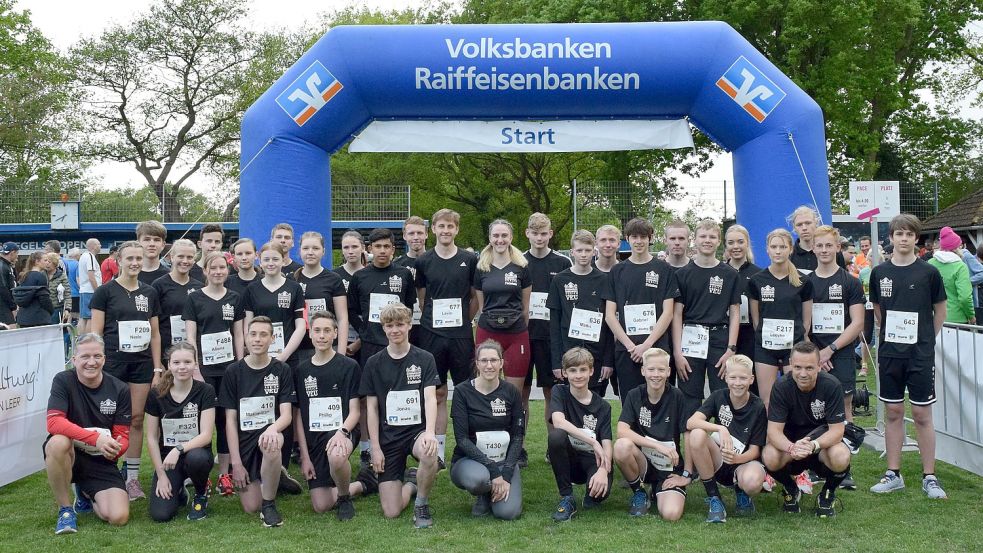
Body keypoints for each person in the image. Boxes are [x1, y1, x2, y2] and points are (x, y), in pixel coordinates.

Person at [869, 214, 948, 499]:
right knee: (893, 412)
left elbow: (940, 310)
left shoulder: (929, 273)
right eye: (899, 234)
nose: (903, 239)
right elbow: (878, 310)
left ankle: (930, 476)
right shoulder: (880, 272)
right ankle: (893, 473)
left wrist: (926, 340)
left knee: (921, 414)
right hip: (891, 353)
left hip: (919, 355)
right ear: (890, 238)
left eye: (909, 234)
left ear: (916, 239)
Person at [90, 241, 162, 501]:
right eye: (129, 258)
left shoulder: (150, 292)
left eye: (138, 259)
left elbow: (155, 334)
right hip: (112, 365)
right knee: (106, 418)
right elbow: (95, 332)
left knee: (136, 419)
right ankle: (102, 472)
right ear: (118, 260)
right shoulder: (106, 292)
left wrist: (157, 367)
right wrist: (96, 362)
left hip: (141, 365)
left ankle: (131, 478)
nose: (134, 263)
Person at [359, 304, 440, 528]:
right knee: (391, 512)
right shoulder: (374, 363)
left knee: (429, 450)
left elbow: (430, 398)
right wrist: (374, 447)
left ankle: (422, 504)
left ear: (409, 325)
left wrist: (431, 433)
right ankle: (412, 483)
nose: (395, 330)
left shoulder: (425, 358)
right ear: (383, 328)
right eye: (390, 325)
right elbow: (372, 409)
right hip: (389, 437)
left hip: (416, 432)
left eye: (400, 325)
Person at [44, 334, 131, 534]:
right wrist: (95, 439)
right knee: (58, 442)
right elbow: (53, 422)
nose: (91, 362)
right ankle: (65, 510)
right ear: (74, 359)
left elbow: (122, 435)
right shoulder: (63, 380)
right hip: (70, 454)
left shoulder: (120, 389)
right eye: (85, 357)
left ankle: (85, 493)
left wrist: (117, 448)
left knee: (119, 517)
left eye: (97, 356)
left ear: (104, 359)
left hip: (100, 460)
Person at [414, 209, 477, 467]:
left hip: (461, 336)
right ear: (434, 230)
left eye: (450, 226)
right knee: (437, 393)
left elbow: (474, 298)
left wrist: (462, 319)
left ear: (457, 229)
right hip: (432, 336)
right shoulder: (424, 261)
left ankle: (467, 447)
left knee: (465, 392)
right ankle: (437, 450)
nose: (446, 231)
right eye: (441, 226)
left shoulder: (469, 260)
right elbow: (422, 298)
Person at [219, 316, 296, 526]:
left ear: (272, 339)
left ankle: (269, 505)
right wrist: (235, 463)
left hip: (272, 435)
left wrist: (273, 429)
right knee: (250, 507)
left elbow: (287, 415)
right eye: (253, 334)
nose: (258, 339)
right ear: (246, 338)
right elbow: (230, 421)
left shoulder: (281, 369)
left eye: (263, 335)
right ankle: (275, 477)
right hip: (245, 442)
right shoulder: (233, 372)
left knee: (271, 445)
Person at [243, 242, 306, 494]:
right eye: (266, 259)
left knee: (286, 409)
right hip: (258, 358)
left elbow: (301, 325)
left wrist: (283, 355)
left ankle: (281, 466)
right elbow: (247, 325)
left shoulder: (293, 288)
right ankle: (258, 460)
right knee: (260, 405)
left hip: (285, 358)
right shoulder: (252, 289)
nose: (270, 263)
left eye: (275, 259)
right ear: (260, 260)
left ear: (283, 260)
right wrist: (252, 353)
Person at [762, 341, 851, 518]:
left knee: (841, 456)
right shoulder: (781, 386)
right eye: (798, 367)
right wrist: (791, 447)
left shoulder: (832, 385)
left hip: (820, 446)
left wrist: (813, 445)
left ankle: (827, 493)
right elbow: (773, 432)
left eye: (809, 368)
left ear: (819, 366)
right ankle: (791, 488)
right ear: (790, 364)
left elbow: (837, 431)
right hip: (791, 447)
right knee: (769, 456)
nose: (803, 374)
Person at [184, 250, 245, 496]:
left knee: (225, 420)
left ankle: (224, 473)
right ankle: (203, 475)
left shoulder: (234, 298)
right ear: (205, 271)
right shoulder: (194, 298)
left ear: (227, 270)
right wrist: (195, 367)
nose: (218, 272)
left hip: (229, 370)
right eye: (214, 268)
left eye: (222, 268)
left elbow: (239, 334)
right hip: (204, 371)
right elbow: (190, 336)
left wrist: (241, 364)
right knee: (204, 422)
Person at [293, 312, 365, 519]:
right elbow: (299, 417)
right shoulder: (301, 371)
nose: (322, 335)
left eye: (327, 330)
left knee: (336, 455)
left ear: (335, 333)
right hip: (315, 438)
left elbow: (355, 412)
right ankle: (361, 484)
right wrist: (304, 457)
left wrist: (341, 433)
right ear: (311, 334)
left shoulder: (349, 366)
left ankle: (344, 498)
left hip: (344, 430)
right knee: (321, 505)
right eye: (317, 330)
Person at [603, 218, 679, 402]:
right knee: (631, 402)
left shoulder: (664, 270)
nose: (639, 241)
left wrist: (646, 345)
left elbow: (668, 312)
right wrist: (631, 346)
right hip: (627, 350)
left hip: (657, 348)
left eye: (643, 237)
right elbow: (609, 316)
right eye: (634, 237)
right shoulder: (617, 271)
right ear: (627, 239)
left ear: (650, 238)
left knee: (661, 401)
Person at [671, 219, 741, 418]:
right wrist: (678, 352)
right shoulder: (683, 274)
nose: (707, 240)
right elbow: (677, 314)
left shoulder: (730, 274)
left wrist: (731, 349)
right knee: (689, 397)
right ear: (695, 240)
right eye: (703, 236)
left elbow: (734, 312)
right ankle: (693, 446)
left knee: (722, 396)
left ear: (719, 241)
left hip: (720, 340)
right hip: (690, 339)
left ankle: (723, 446)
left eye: (712, 237)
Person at [613, 348, 692, 520]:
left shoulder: (677, 396)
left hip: (669, 468)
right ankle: (639, 493)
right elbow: (621, 430)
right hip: (645, 463)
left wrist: (686, 474)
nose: (656, 374)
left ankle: (657, 491)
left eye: (661, 370)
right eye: (651, 369)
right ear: (643, 371)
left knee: (671, 514)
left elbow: (688, 434)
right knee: (621, 446)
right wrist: (657, 446)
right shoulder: (634, 395)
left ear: (669, 371)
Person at [449, 339, 524, 520]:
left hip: (503, 461)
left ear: (501, 363)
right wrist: (492, 469)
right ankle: (483, 493)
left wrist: (505, 474)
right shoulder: (461, 391)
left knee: (508, 513)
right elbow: (462, 439)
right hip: (470, 461)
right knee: (478, 481)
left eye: (493, 360)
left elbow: (517, 436)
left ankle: (498, 489)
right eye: (484, 360)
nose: (489, 365)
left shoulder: (511, 392)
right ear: (477, 364)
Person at [686, 354, 767, 522]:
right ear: (725, 377)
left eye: (743, 378)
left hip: (743, 461)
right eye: (733, 377)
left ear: (751, 379)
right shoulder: (718, 396)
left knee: (752, 482)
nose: (738, 383)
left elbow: (755, 450)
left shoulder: (758, 406)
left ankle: (742, 491)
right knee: (696, 434)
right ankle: (714, 498)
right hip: (719, 458)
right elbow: (691, 422)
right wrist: (720, 428)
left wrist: (737, 458)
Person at [144, 342, 216, 522]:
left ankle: (200, 493)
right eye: (176, 362)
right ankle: (179, 491)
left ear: (195, 364)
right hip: (168, 461)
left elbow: (206, 435)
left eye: (187, 362)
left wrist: (178, 449)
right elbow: (152, 438)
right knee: (161, 515)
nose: (182, 367)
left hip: (196, 453)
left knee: (197, 459)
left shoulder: (205, 390)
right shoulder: (156, 393)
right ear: (169, 364)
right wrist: (161, 475)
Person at [472, 219, 532, 427]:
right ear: (490, 238)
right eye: (496, 236)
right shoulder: (481, 267)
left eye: (504, 235)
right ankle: (489, 438)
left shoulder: (522, 267)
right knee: (486, 389)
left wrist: (515, 324)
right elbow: (481, 306)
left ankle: (518, 445)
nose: (500, 240)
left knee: (515, 394)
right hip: (488, 333)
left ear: (511, 237)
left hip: (516, 334)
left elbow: (525, 308)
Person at [747, 229, 813, 409]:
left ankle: (794, 437)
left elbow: (806, 320)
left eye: (782, 247)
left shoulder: (803, 281)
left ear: (790, 249)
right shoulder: (756, 280)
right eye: (774, 247)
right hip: (765, 348)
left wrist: (798, 339)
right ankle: (769, 437)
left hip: (793, 347)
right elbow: (756, 319)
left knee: (795, 399)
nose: (778, 251)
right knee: (767, 400)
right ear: (767, 249)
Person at [808, 226, 865, 433]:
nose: (824, 250)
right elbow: (803, 324)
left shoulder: (851, 282)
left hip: (841, 353)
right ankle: (814, 462)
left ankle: (843, 464)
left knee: (843, 409)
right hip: (812, 355)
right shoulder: (806, 283)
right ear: (813, 248)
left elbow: (857, 323)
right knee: (812, 408)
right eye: (820, 245)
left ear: (838, 248)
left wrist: (830, 349)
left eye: (829, 246)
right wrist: (816, 354)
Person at [523, 213, 571, 454]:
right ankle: (518, 447)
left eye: (544, 233)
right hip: (522, 335)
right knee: (519, 392)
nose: (539, 238)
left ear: (550, 234)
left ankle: (554, 448)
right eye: (535, 233)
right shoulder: (518, 261)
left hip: (550, 338)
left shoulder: (562, 263)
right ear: (527, 234)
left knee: (551, 392)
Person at [547, 347, 613, 522]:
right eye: (572, 370)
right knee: (556, 436)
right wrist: (593, 442)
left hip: (593, 460)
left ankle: (591, 491)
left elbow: (606, 442)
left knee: (598, 496)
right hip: (570, 459)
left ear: (591, 371)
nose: (578, 375)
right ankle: (567, 497)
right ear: (564, 373)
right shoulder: (559, 392)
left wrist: (603, 470)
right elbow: (558, 421)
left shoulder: (603, 406)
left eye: (583, 369)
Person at [547, 231, 614, 398]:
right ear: (572, 252)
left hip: (597, 355)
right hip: (569, 354)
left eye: (587, 250)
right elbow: (554, 324)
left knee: (595, 403)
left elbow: (609, 324)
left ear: (594, 251)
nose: (583, 255)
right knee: (569, 405)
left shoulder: (604, 280)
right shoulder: (560, 280)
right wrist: (556, 361)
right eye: (579, 250)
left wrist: (608, 361)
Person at [293, 231, 349, 360]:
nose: (310, 252)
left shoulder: (334, 279)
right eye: (306, 248)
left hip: (329, 347)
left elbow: (342, 318)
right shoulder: (292, 279)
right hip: (298, 349)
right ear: (299, 251)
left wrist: (341, 354)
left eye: (316, 248)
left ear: (323, 251)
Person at [152, 239, 203, 353]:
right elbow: (153, 324)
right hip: (167, 351)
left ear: (194, 260)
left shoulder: (200, 287)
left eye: (189, 257)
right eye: (180, 256)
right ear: (172, 257)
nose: (185, 261)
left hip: (193, 350)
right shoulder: (159, 285)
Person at [724, 225, 761, 367]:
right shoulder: (720, 272)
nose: (736, 247)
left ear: (747, 243)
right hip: (725, 335)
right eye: (731, 243)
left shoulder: (759, 274)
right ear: (726, 245)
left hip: (750, 336)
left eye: (740, 242)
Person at [928, 226, 975, 324]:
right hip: (957, 319)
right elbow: (965, 297)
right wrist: (971, 316)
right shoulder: (960, 266)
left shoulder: (930, 263)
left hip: (934, 317)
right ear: (956, 247)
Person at [334, 230, 367, 359]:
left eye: (354, 246)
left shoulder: (370, 275)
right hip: (339, 337)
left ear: (363, 248)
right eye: (346, 247)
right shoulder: (334, 276)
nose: (350, 251)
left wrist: (360, 341)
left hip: (366, 337)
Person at [394, 216, 428, 340]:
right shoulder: (397, 265)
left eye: (419, 233)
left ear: (426, 235)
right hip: (404, 323)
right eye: (411, 233)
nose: (416, 237)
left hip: (430, 322)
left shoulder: (435, 261)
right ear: (404, 236)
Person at [787, 206, 846, 272]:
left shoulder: (832, 251)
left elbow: (843, 279)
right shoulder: (788, 254)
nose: (804, 228)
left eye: (808, 223)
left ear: (816, 223)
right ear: (794, 227)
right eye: (799, 224)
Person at [14, 251, 53, 327]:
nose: (47, 262)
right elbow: (44, 298)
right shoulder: (41, 277)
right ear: (37, 262)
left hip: (23, 317)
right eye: (45, 260)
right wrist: (51, 310)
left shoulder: (24, 276)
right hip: (39, 317)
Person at [77, 239, 101, 334]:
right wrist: (97, 291)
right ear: (94, 246)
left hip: (84, 290)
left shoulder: (83, 256)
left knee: (83, 317)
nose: (100, 246)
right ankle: (87, 339)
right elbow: (91, 276)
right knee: (90, 317)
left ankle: (80, 339)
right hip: (90, 291)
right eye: (99, 244)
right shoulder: (90, 257)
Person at [136, 220, 169, 285]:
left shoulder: (171, 276)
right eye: (147, 239)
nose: (152, 244)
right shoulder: (126, 275)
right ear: (138, 243)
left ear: (163, 245)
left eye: (157, 240)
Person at [45, 252, 72, 327]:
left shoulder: (62, 276)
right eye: (45, 261)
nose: (47, 263)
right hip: (43, 309)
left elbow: (67, 293)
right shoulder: (41, 274)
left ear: (55, 264)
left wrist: (67, 309)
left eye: (49, 262)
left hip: (57, 308)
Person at [0, 241, 19, 327]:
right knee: (11, 330)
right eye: (17, 253)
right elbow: (3, 287)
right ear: (12, 252)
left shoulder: (7, 265)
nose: (17, 256)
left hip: (6, 304)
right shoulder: (2, 266)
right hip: (4, 305)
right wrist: (13, 307)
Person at [66, 248, 82, 325]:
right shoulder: (78, 264)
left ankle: (68, 334)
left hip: (65, 294)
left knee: (68, 315)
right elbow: (78, 280)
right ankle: (77, 335)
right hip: (76, 293)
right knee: (78, 316)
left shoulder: (64, 263)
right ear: (76, 255)